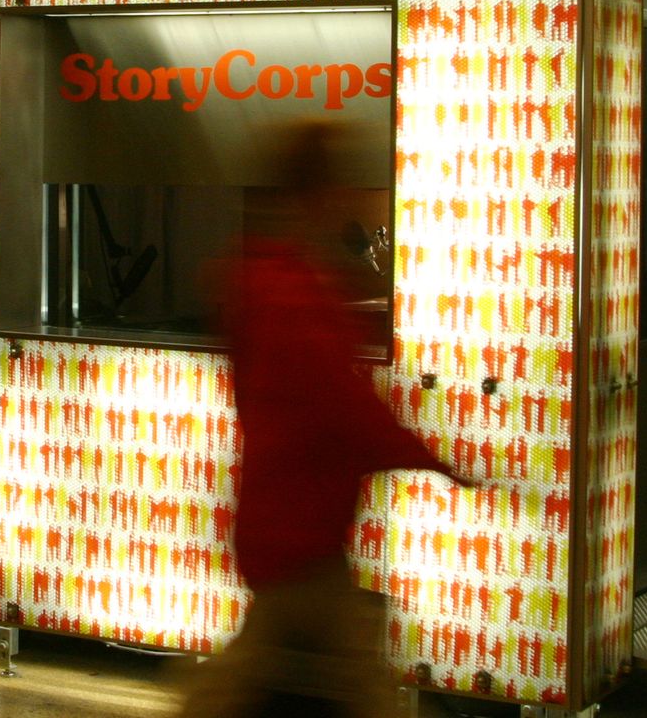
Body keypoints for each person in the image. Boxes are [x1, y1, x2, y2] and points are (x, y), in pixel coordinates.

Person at [183, 119, 463, 718]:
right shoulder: (295, 290)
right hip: (300, 525)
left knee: (257, 663)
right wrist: (434, 459)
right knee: (356, 679)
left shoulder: (261, 274)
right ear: (322, 191)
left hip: (277, 515)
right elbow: (344, 407)